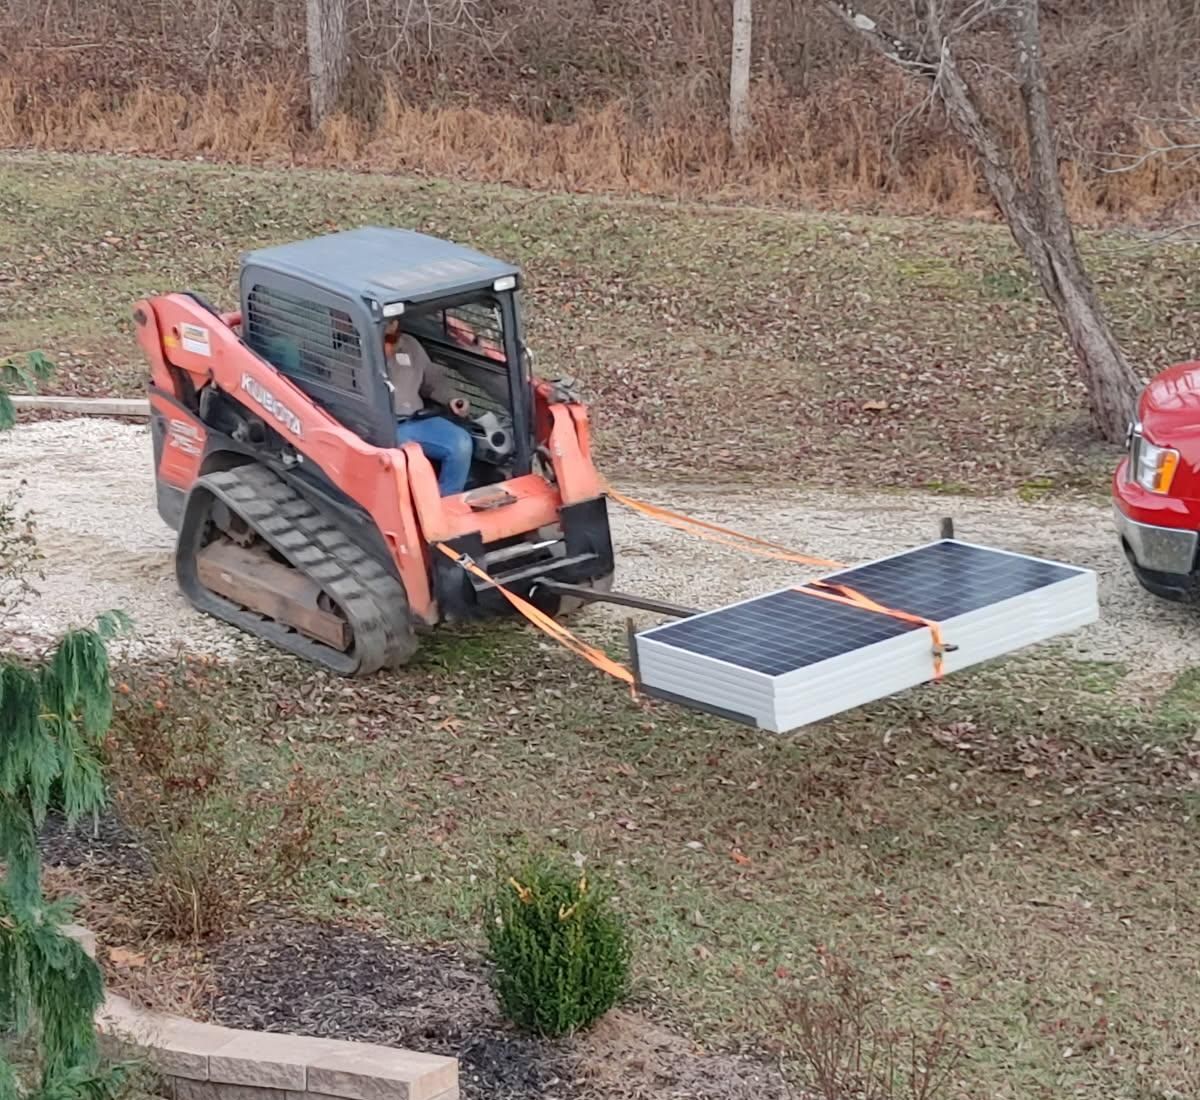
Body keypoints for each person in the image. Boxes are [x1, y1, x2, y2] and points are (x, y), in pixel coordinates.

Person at [384, 319, 474, 496]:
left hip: (416, 420)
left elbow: (432, 381)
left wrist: (452, 398)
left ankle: (447, 500)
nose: (389, 324)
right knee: (412, 456)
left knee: (460, 442)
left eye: (392, 320)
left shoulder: (409, 345)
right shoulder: (353, 353)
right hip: (382, 425)